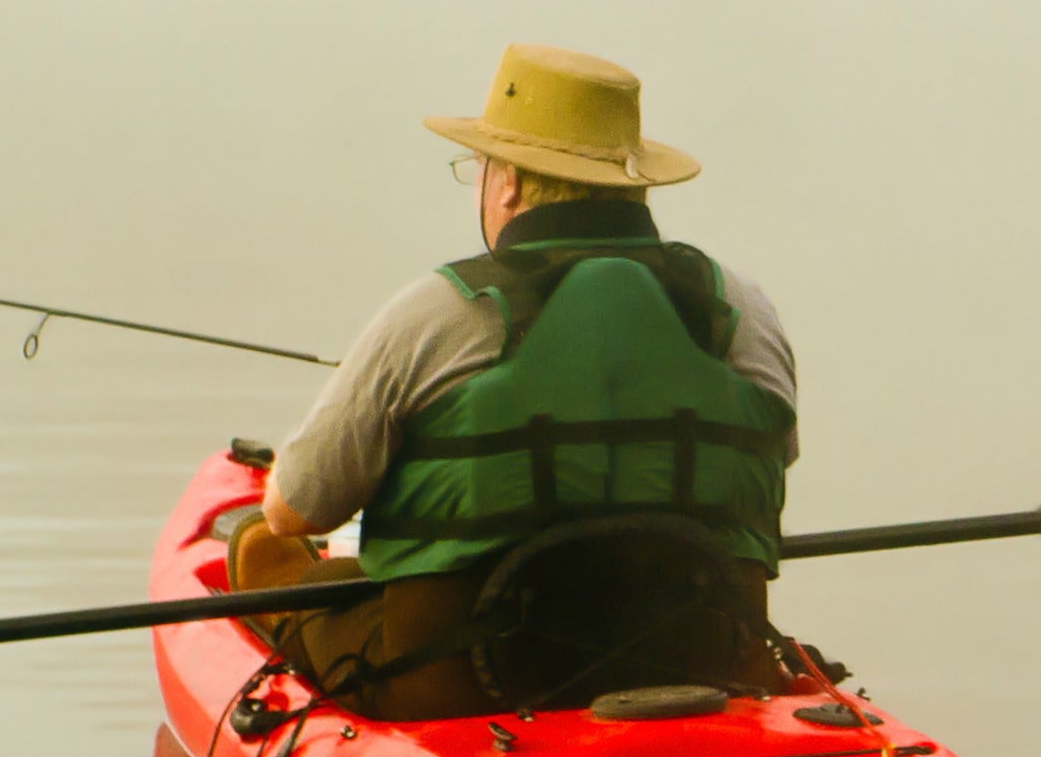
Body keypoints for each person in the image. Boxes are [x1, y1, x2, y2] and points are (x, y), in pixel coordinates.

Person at [225, 45, 801, 715]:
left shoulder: (437, 311)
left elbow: (297, 508)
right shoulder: (744, 308)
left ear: (508, 185)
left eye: (478, 169)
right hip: (707, 663)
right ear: (636, 183)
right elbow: (771, 457)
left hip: (455, 682)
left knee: (262, 548)